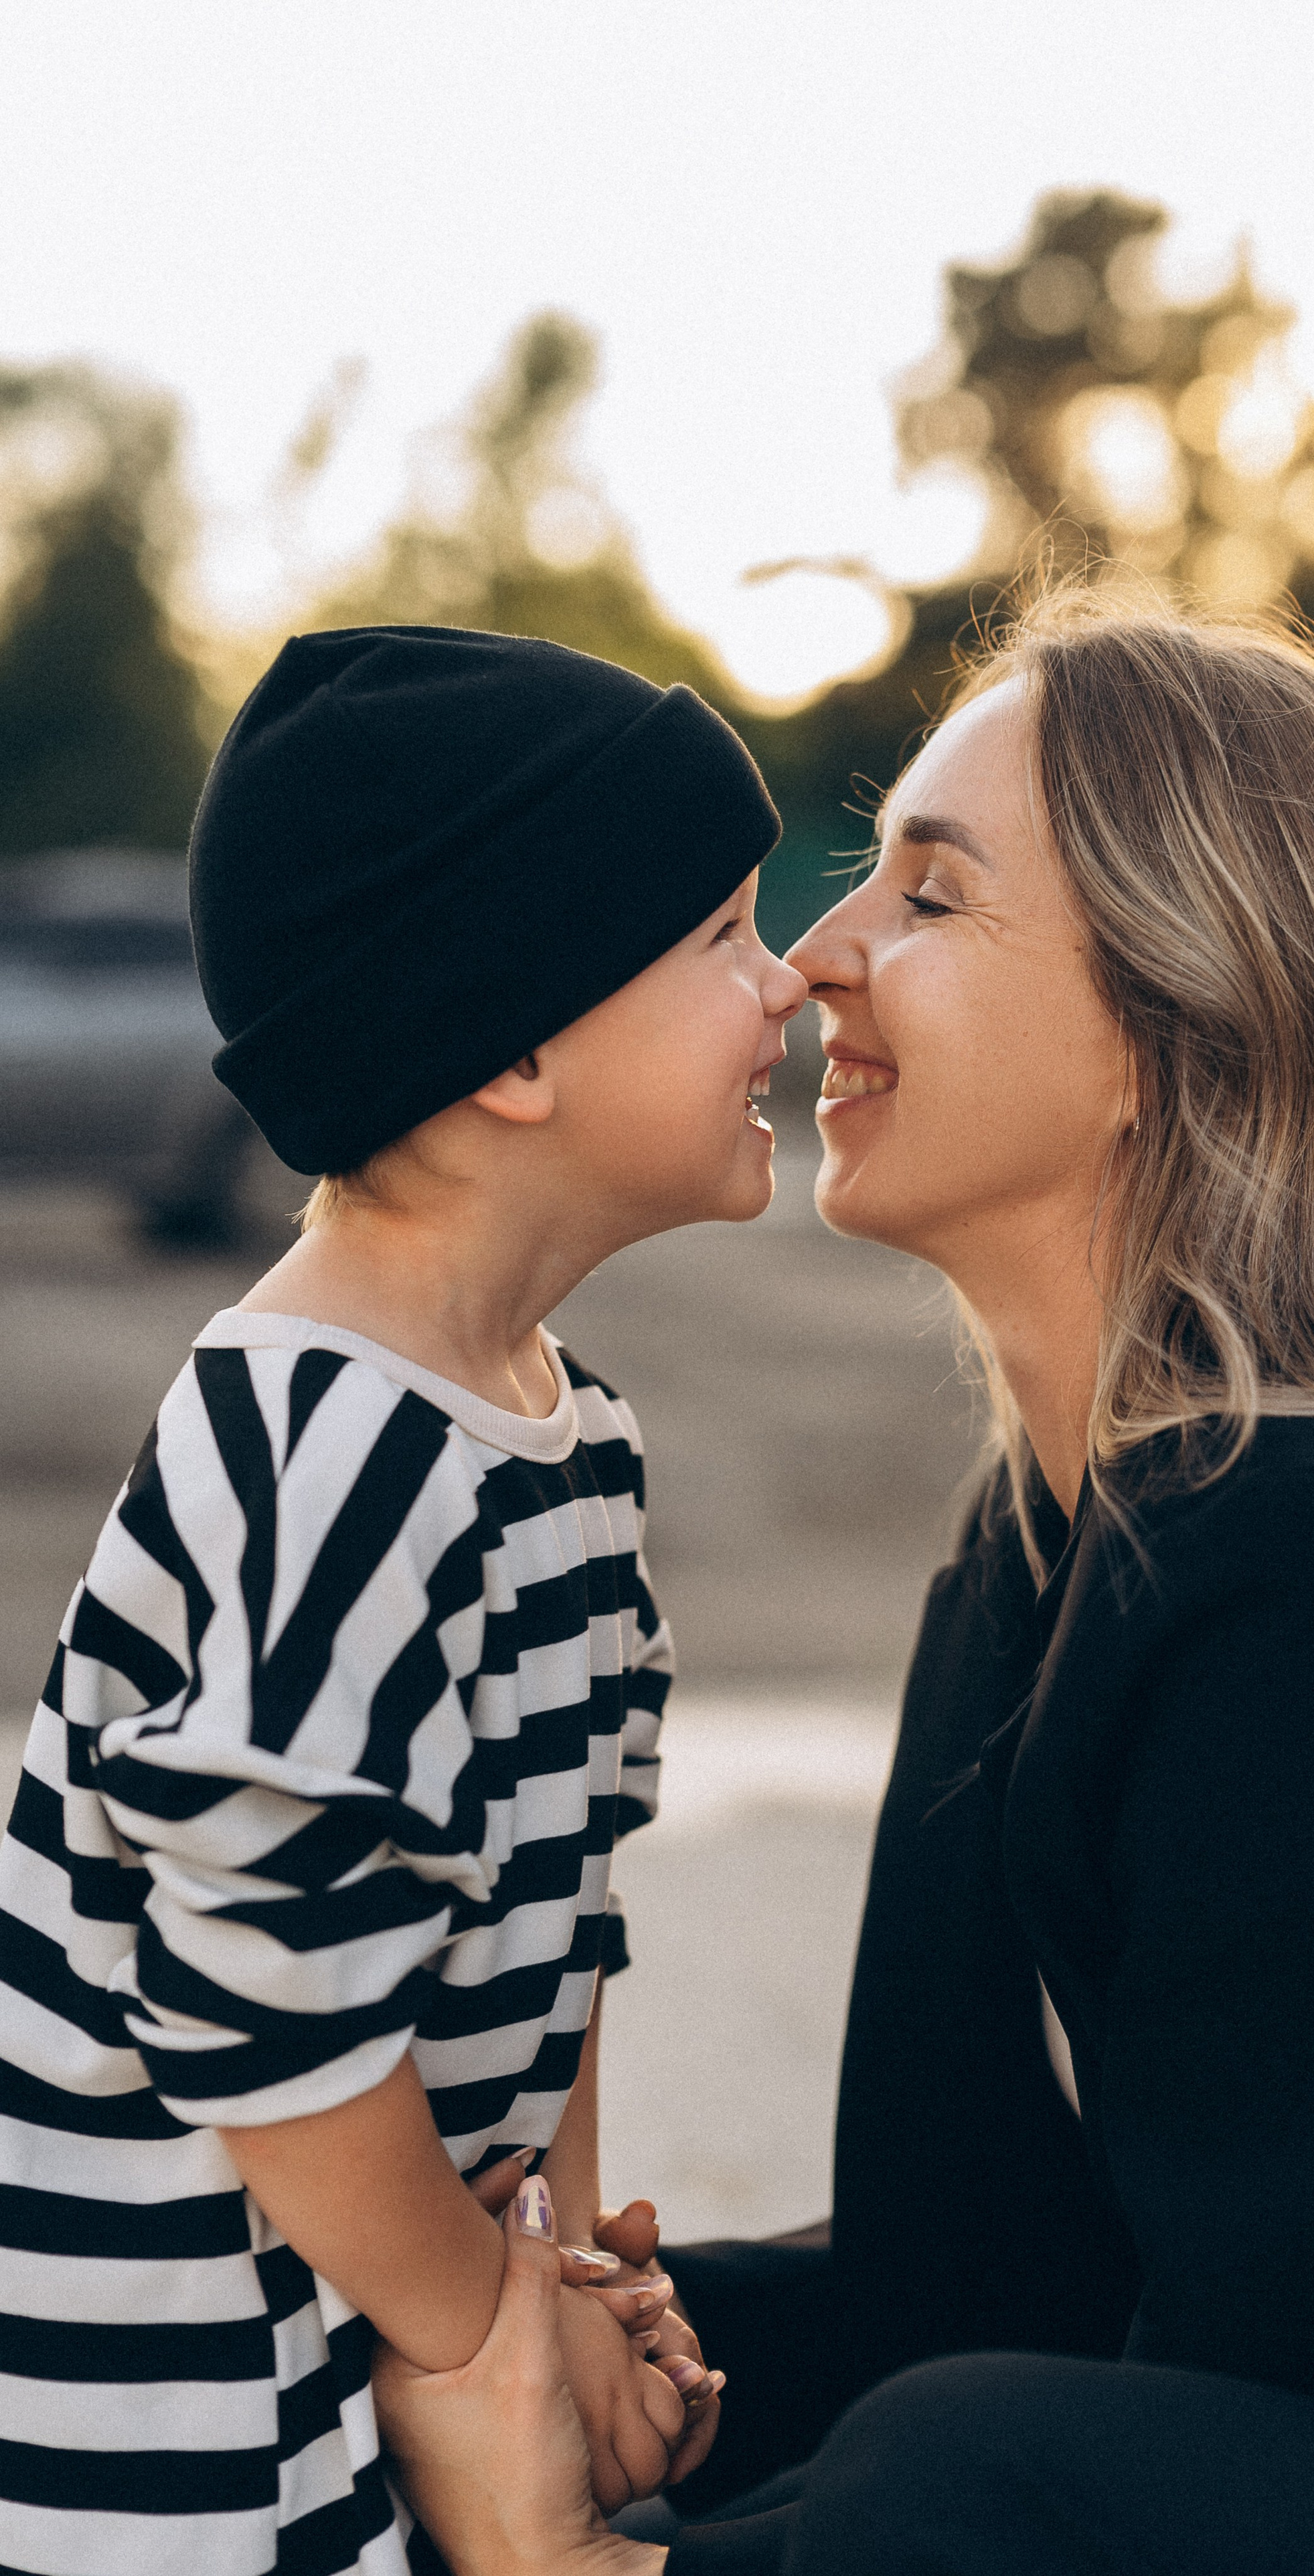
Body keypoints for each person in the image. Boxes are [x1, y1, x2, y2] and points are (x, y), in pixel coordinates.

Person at [390, 597, 1314, 2574]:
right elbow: (982, 2259)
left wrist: (600, 2559)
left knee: (955, 2467)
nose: (820, 956)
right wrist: (622, 2351)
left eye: (929, 895)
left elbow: (1255, 2393)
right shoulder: (1044, 1545)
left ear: (1181, 1028)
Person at [0, 627, 802, 2576]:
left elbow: (565, 1913)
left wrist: (574, 2286)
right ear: (510, 1047)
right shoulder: (326, 1451)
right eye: (717, 937)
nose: (785, 986)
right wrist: (487, 2349)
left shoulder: (564, 1438)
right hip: (176, 2444)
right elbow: (258, 2004)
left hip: (378, 2330)